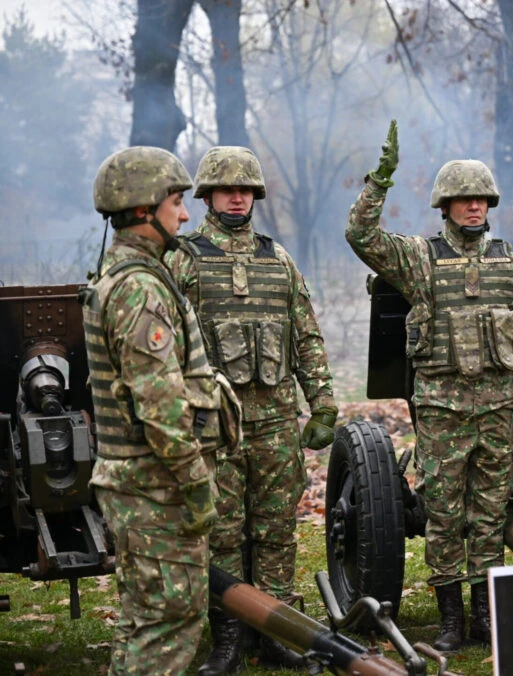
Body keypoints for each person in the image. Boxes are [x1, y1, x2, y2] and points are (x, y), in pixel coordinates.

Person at [345, 120, 513, 651]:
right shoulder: (420, 259)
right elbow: (361, 236)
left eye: (481, 200)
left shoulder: (509, 264)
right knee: (446, 516)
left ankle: (484, 616)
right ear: (444, 206)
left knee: (490, 515)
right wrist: (379, 182)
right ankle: (450, 617)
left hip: (496, 409)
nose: (474, 208)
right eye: (463, 199)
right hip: (442, 413)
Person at [163, 146, 338, 673]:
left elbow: (305, 336)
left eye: (246, 188)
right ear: (209, 195)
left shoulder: (277, 258)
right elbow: (165, 342)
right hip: (216, 425)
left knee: (277, 529)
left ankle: (277, 634)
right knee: (221, 531)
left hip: (277, 423)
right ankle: (230, 638)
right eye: (226, 188)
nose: (237, 195)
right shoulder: (184, 259)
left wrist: (323, 401)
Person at [84, 147, 238, 674]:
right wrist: (196, 485)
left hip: (140, 487)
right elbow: (160, 405)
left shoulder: (130, 277)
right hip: (155, 489)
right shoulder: (140, 290)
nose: (187, 213)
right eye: (177, 201)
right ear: (144, 209)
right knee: (170, 626)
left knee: (144, 623)